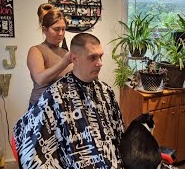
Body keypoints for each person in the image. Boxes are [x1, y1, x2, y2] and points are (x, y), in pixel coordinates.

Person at [13, 33, 125, 168]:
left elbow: (119, 135)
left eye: (101, 56)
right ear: (74, 58)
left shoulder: (107, 92)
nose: (100, 63)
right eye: (92, 57)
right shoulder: (55, 95)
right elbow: (32, 146)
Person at [27, 3, 73, 105]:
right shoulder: (36, 50)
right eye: (56, 29)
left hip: (63, 108)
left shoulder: (65, 52)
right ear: (45, 29)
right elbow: (40, 79)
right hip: (41, 108)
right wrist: (64, 62)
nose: (61, 33)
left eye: (63, 29)